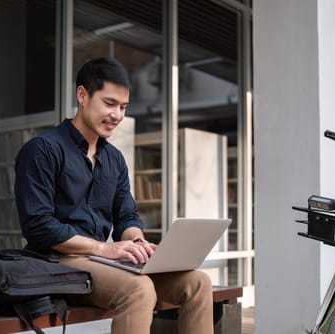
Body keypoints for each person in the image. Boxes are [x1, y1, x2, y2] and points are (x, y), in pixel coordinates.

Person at [14, 57, 213, 334]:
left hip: (101, 260)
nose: (117, 115)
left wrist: (138, 243)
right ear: (82, 95)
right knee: (139, 289)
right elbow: (37, 225)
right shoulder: (42, 149)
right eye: (109, 104)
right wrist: (104, 248)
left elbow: (126, 216)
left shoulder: (114, 159)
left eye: (123, 107)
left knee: (198, 282)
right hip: (56, 260)